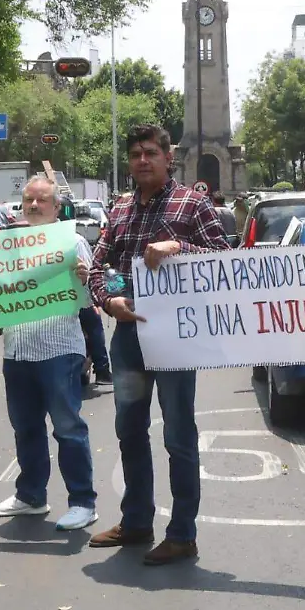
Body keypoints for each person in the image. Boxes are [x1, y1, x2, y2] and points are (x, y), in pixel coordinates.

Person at [85, 124, 230, 565]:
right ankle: (136, 521)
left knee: (178, 434)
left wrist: (178, 246)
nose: (142, 160)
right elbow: (98, 267)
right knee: (129, 429)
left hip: (176, 336)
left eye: (150, 152)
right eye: (135, 154)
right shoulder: (122, 209)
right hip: (128, 335)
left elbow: (225, 261)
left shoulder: (193, 203)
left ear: (169, 158)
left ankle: (182, 534)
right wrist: (110, 299)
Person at [0, 176, 99, 531]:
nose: (34, 205)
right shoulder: (4, 246)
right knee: (26, 428)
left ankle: (83, 502)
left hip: (58, 351)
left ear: (56, 207)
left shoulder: (73, 242)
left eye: (42, 200)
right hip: (16, 350)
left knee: (68, 429)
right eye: (28, 200)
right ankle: (31, 496)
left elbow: (92, 296)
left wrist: (85, 277)